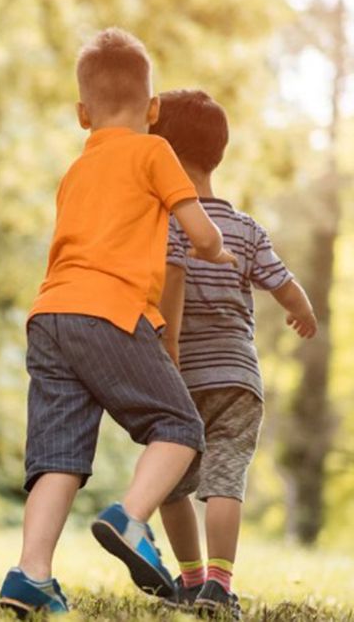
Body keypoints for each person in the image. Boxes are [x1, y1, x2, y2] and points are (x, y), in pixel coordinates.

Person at [0, 28, 237, 616]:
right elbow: (199, 229)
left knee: (57, 457)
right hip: (109, 311)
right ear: (154, 110)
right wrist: (217, 250)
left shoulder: (77, 170)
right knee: (180, 429)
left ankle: (31, 574)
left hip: (49, 315)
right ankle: (131, 518)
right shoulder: (154, 151)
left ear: (83, 114)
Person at [152, 89, 318, 618]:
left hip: (178, 376)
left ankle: (191, 579)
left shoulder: (163, 222)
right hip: (238, 379)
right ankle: (219, 586)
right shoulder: (244, 227)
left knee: (170, 484)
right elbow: (284, 284)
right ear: (216, 153)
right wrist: (304, 312)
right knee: (226, 478)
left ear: (163, 153)